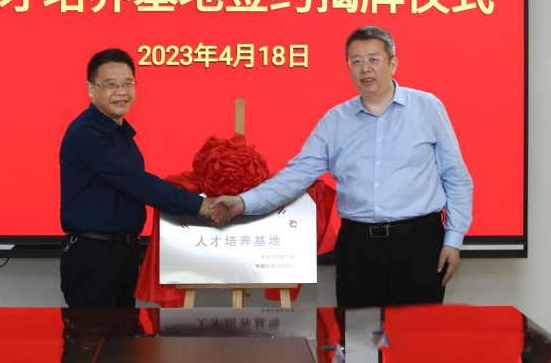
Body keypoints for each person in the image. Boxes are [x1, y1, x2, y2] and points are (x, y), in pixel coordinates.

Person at [212, 26, 473, 307]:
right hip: (358, 248)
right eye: (356, 61)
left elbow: (456, 179)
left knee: (414, 333)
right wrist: (243, 202)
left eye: (373, 59)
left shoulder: (427, 108)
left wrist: (453, 239)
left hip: (419, 244)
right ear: (348, 69)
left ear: (393, 64)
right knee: (355, 332)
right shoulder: (335, 120)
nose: (365, 68)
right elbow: (296, 175)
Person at [60, 48, 229, 308]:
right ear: (91, 89)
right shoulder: (86, 133)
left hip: (122, 253)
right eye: (110, 84)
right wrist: (202, 205)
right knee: (94, 333)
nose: (121, 91)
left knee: (123, 333)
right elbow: (137, 182)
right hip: (93, 254)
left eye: (128, 83)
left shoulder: (121, 134)